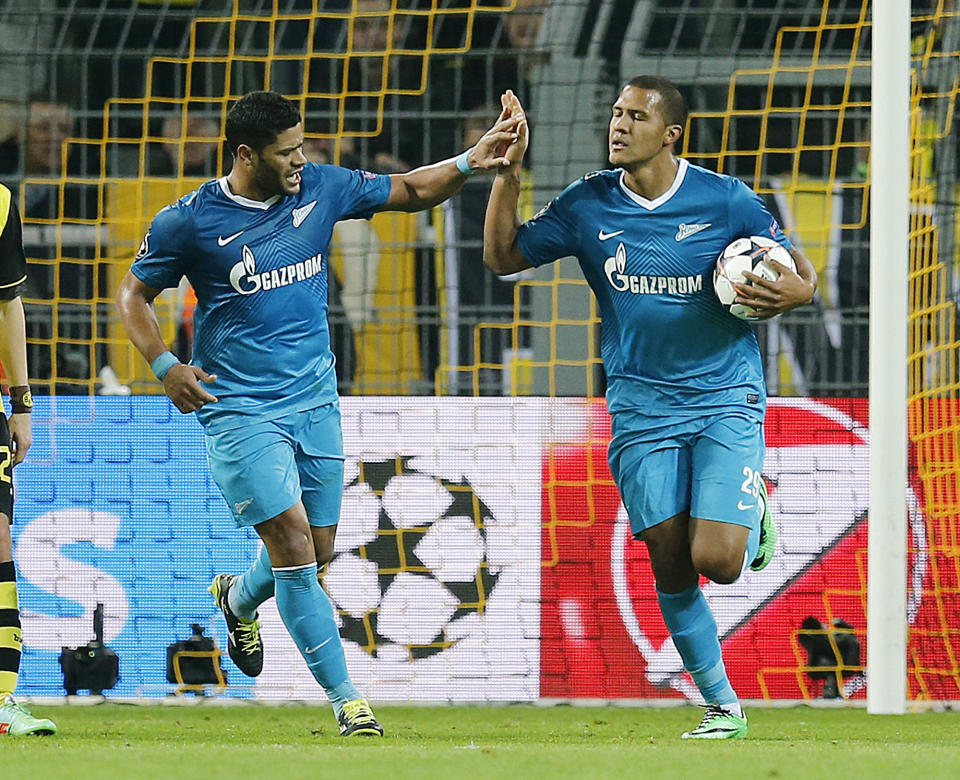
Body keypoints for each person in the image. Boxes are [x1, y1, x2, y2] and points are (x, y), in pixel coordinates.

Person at [116, 90, 519, 736]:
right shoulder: (189, 222)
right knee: (294, 543)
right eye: (287, 153)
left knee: (319, 548)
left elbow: (411, 191)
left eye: (302, 147)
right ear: (246, 155)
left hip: (315, 400)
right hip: (238, 407)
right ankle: (348, 701)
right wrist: (166, 366)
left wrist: (472, 160)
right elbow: (133, 295)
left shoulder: (321, 188)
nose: (301, 161)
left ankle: (238, 598)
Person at [483, 80, 818, 739]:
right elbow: (501, 257)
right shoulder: (588, 204)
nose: (619, 125)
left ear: (670, 134)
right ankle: (723, 706)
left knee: (719, 560)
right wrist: (508, 176)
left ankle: (747, 512)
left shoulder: (723, 200)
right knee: (669, 560)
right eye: (616, 113)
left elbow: (793, 264)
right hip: (640, 409)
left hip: (724, 395)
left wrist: (798, 292)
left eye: (636, 116)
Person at [0, 182, 57, 736]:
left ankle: (0, 699)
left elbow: (7, 302)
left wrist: (21, 401)